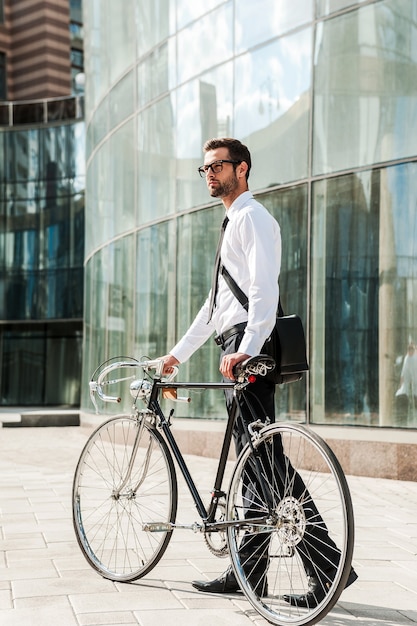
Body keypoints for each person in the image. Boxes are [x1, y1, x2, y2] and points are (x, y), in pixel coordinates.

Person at [160, 137, 356, 606]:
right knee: (255, 462)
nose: (210, 174)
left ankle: (329, 568)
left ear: (241, 169)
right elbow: (214, 308)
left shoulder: (252, 218)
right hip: (237, 342)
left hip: (250, 344)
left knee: (265, 460)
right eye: (205, 168)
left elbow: (264, 292)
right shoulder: (232, 224)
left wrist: (246, 349)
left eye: (218, 166)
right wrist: (175, 357)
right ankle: (247, 571)